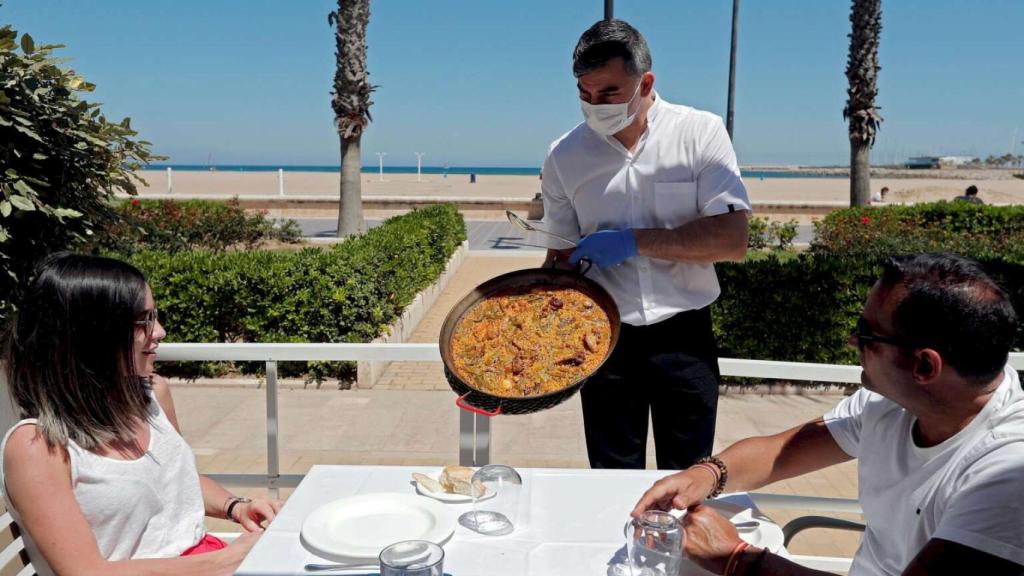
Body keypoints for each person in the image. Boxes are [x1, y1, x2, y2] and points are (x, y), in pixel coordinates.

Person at [633, 253, 1024, 575]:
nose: (852, 340)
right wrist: (706, 475)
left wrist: (736, 558)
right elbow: (783, 451)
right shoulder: (891, 403)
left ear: (925, 367)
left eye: (865, 332)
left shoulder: (1007, 473)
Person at [541, 19, 751, 470]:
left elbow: (733, 239)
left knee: (688, 479)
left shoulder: (700, 133)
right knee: (611, 480)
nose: (595, 106)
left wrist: (635, 241)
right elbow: (558, 255)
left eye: (609, 94)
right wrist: (538, 344)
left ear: (645, 82)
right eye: (584, 93)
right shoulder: (564, 155)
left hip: (685, 336)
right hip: (603, 338)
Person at [1, 253, 282, 576]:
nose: (159, 332)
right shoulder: (38, 447)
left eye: (155, 316)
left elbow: (174, 479)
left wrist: (238, 507)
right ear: (90, 335)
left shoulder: (150, 395)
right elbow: (85, 573)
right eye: (143, 321)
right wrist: (228, 560)